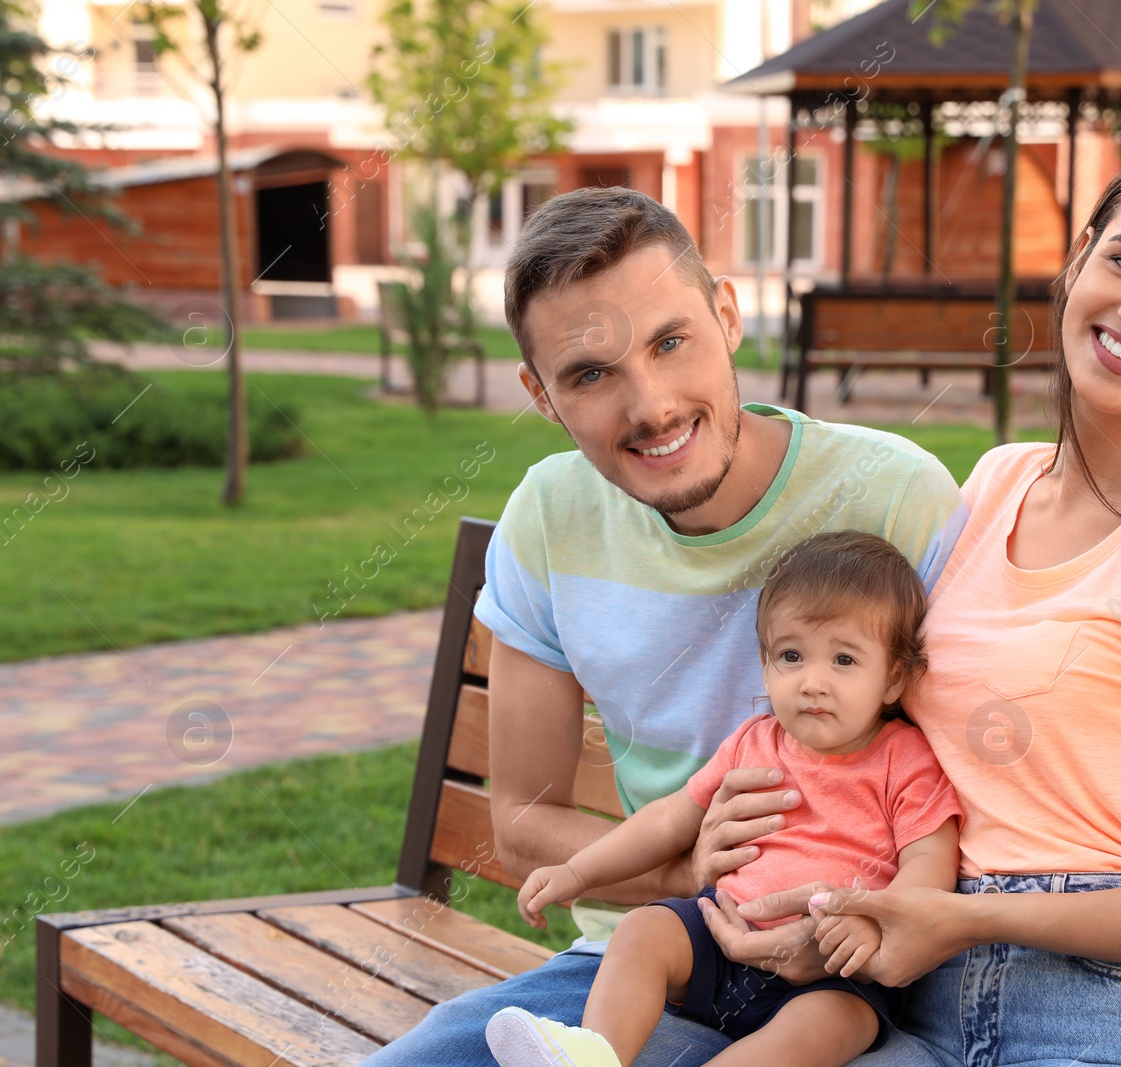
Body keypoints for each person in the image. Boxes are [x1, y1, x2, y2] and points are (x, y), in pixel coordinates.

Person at [706, 142, 1121, 1067]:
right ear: (1079, 258)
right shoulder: (996, 483)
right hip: (917, 1006)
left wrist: (965, 915)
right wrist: (832, 905)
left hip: (1109, 1019)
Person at [359, 188, 966, 1067]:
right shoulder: (548, 516)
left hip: (863, 983)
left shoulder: (894, 499)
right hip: (653, 958)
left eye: (670, 341)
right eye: (591, 374)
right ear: (541, 395)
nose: (650, 406)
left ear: (727, 314)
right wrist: (688, 875)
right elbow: (526, 817)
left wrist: (847, 917)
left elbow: (972, 802)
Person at [485, 531, 962, 1067]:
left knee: (836, 1025)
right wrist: (576, 873)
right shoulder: (753, 742)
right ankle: (596, 1055)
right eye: (791, 655)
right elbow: (669, 820)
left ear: (894, 678)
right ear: (764, 666)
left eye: (844, 660)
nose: (812, 681)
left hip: (830, 971)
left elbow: (930, 860)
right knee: (644, 930)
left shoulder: (904, 759)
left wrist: (875, 919)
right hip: (716, 935)